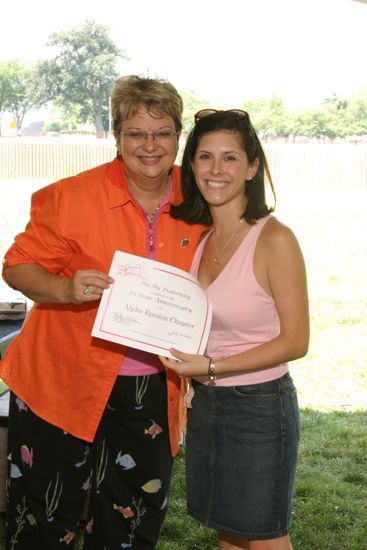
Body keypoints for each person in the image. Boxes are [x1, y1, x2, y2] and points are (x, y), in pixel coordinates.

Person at [0, 75, 206, 550]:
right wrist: (63, 288)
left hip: (152, 386)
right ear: (116, 138)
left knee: (131, 517)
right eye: (136, 133)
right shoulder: (72, 197)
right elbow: (17, 266)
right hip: (60, 379)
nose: (150, 146)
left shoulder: (200, 199)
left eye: (163, 133)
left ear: (179, 137)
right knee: (46, 515)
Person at [160, 109, 309, 550]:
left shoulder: (274, 239)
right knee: (231, 536)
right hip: (207, 404)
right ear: (191, 166)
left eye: (230, 157)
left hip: (259, 407)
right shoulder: (201, 239)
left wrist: (210, 364)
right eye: (205, 157)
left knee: (264, 541)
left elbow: (296, 341)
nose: (216, 170)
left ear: (252, 166)